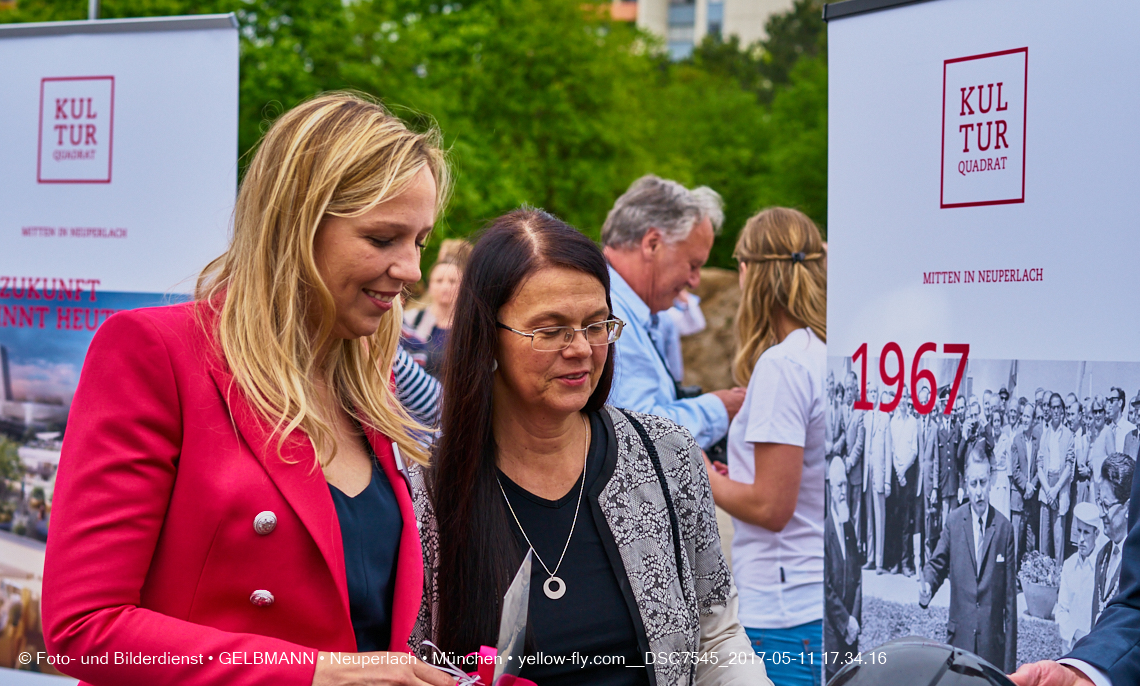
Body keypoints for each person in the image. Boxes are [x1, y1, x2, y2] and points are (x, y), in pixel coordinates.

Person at [41, 93, 455, 686]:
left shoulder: (369, 377)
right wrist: (317, 673)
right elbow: (85, 631)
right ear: (296, 223)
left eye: (419, 241)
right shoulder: (154, 352)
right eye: (383, 238)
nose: (411, 270)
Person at [429, 209, 769, 686]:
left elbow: (717, 636)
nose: (581, 349)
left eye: (595, 325)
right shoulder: (428, 490)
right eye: (550, 331)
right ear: (487, 336)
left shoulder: (664, 456)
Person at [702, 207, 827, 686]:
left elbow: (771, 507)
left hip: (783, 606)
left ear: (750, 271)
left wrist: (701, 473)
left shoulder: (783, 365)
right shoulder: (825, 354)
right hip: (815, 595)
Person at [601, 175, 745, 451]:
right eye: (693, 265)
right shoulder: (609, 316)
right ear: (652, 244)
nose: (694, 281)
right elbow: (636, 435)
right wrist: (719, 409)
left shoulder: (632, 310)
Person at [1009, 451, 1134, 686]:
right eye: (1100, 502)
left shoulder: (1134, 561)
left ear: (1127, 507)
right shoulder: (1103, 556)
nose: (1101, 513)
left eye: (1106, 505)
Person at [920, 445, 1017, 674]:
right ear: (965, 484)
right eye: (973, 484)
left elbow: (1010, 605)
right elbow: (937, 564)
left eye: (983, 482)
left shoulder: (1004, 530)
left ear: (991, 480)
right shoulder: (954, 523)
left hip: (991, 650)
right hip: (959, 645)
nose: (979, 491)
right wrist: (927, 583)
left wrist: (1009, 670)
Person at [402, 239, 470, 378]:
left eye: (452, 281)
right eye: (439, 281)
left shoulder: (472, 324)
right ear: (430, 285)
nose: (445, 287)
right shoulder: (411, 319)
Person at [824, 457, 861, 682]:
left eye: (845, 485)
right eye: (839, 485)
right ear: (830, 487)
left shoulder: (849, 528)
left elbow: (858, 577)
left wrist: (854, 619)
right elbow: (826, 588)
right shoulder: (824, 532)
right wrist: (845, 622)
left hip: (852, 630)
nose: (843, 491)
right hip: (835, 631)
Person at [1054, 502, 1101, 653]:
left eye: (1086, 533)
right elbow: (1061, 610)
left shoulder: (1101, 567)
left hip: (1094, 646)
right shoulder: (1069, 565)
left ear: (1096, 534)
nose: (1081, 539)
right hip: (1070, 646)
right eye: (1078, 531)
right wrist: (1074, 633)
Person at [1039, 393, 1075, 570]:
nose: (1054, 411)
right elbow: (1039, 466)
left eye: (1057, 407)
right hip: (1046, 488)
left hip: (1060, 490)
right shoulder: (1045, 435)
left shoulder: (1068, 435)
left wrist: (1056, 489)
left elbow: (1069, 466)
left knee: (1058, 541)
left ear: (1062, 410)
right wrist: (1048, 490)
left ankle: (1058, 578)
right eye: (1051, 407)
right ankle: (1043, 578)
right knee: (1044, 541)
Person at [888, 389, 918, 576]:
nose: (903, 401)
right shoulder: (893, 422)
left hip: (908, 476)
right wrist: (898, 471)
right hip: (896, 476)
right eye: (900, 397)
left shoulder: (913, 422)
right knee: (895, 520)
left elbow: (914, 451)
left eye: (905, 397)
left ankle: (906, 563)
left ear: (908, 399)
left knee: (907, 521)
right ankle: (895, 562)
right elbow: (892, 450)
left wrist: (904, 470)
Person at [1009, 401, 1039, 566]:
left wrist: (1032, 486)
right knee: (1015, 543)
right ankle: (1012, 577)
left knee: (1030, 543)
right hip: (1019, 498)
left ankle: (1028, 576)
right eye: (1024, 416)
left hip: (1031, 499)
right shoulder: (1016, 441)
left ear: (1033, 420)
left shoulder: (1036, 442)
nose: (1025, 419)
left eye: (1028, 416)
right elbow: (1015, 470)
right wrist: (1026, 485)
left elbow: (1039, 468)